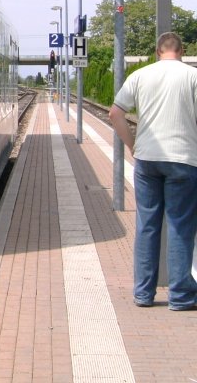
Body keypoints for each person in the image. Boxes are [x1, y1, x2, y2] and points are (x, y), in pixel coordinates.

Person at [109, 32, 197, 311]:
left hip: (147, 159)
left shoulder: (140, 75)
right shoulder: (192, 76)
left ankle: (144, 294)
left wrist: (132, 145)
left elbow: (115, 113)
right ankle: (181, 296)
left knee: (147, 225)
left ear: (158, 51)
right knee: (180, 226)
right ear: (180, 51)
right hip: (183, 158)